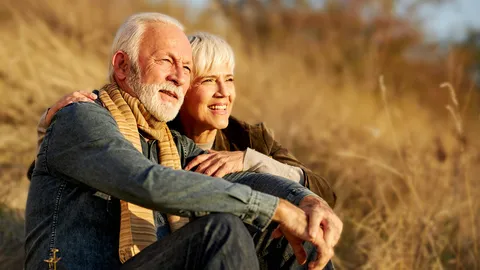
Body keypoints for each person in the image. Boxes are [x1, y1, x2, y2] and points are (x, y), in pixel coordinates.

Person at [24, 12, 342, 270]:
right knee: (221, 233)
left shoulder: (170, 143)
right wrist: (275, 209)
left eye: (187, 68)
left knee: (290, 236)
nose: (178, 75)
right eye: (166, 61)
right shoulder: (82, 117)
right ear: (122, 66)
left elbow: (246, 179)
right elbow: (147, 182)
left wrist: (305, 202)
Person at [38, 33, 336, 208]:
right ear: (180, 88)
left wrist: (250, 161)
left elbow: (324, 193)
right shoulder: (148, 130)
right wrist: (51, 121)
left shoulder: (249, 138)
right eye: (208, 80)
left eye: (229, 79)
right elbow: (58, 175)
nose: (224, 93)